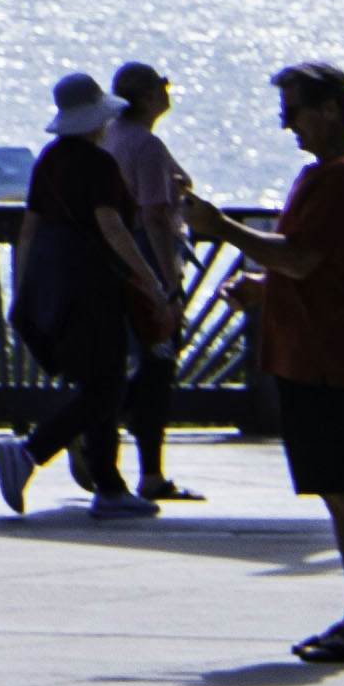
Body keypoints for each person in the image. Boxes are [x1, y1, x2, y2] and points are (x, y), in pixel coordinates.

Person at [191, 60, 344, 666]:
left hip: (330, 360)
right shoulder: (326, 177)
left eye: (295, 112)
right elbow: (314, 266)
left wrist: (220, 226)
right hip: (312, 358)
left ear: (328, 109)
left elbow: (304, 259)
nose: (288, 126)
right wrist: (262, 286)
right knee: (341, 492)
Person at [0, 71, 166, 514]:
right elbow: (111, 224)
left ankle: (108, 487)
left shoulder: (48, 160)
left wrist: (22, 291)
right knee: (106, 388)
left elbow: (28, 232)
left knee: (97, 381)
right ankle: (30, 451)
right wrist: (148, 277)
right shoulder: (99, 164)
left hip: (52, 281)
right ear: (97, 119)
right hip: (92, 282)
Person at [99, 62, 206, 505]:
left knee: (129, 364)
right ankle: (150, 472)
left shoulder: (111, 137)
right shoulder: (146, 146)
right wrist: (169, 284)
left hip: (113, 264)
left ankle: (94, 436)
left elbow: (176, 181)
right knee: (157, 367)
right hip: (146, 264)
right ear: (146, 97)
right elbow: (156, 218)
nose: (168, 90)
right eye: (162, 85)